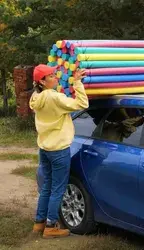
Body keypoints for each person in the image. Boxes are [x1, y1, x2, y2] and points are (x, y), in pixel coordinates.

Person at [29, 64, 89, 238]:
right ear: (42, 81)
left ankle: (39, 223)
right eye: (51, 75)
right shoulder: (54, 98)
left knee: (47, 186)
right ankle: (51, 226)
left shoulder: (35, 96)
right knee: (58, 188)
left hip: (45, 148)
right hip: (58, 150)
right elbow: (82, 103)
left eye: (55, 73)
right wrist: (77, 82)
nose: (56, 77)